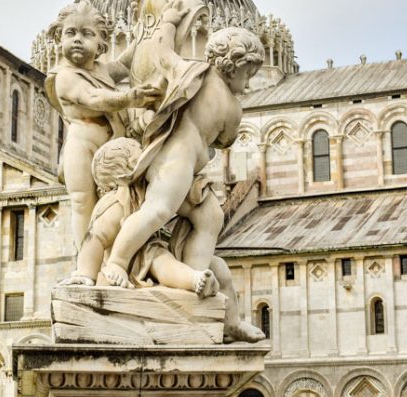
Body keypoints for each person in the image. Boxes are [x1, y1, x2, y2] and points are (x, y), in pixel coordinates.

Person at [101, 27, 265, 297]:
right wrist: (170, 21)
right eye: (248, 74)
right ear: (233, 66)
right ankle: (117, 261)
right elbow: (225, 140)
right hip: (174, 160)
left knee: (211, 217)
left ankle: (193, 275)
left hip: (192, 172)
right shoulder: (210, 88)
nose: (247, 84)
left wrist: (168, 26)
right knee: (157, 211)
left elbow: (163, 53)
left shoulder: (193, 74)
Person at [65, 137, 264, 343]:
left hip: (162, 245)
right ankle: (194, 280)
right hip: (140, 260)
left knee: (220, 268)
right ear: (123, 173)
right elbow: (95, 237)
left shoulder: (157, 188)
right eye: (138, 155)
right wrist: (86, 274)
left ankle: (232, 324)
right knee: (160, 259)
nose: (146, 155)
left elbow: (190, 208)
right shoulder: (118, 203)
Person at [44, 1, 161, 248]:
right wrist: (129, 97)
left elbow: (124, 64)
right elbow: (95, 99)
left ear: (101, 44)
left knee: (115, 204)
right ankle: (84, 262)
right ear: (59, 37)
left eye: (87, 34)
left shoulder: (101, 69)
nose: (77, 39)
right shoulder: (64, 77)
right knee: (83, 203)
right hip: (83, 147)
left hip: (109, 149)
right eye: (71, 33)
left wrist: (143, 27)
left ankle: (110, 255)